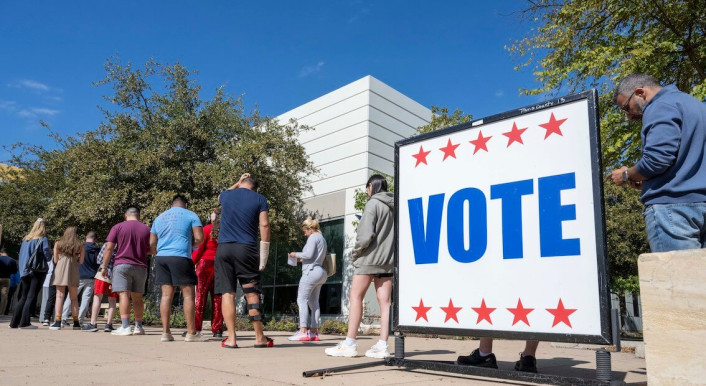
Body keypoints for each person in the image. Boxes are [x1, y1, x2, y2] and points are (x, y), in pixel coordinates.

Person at [608, 73, 706, 252]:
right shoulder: (696, 105)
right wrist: (647, 179)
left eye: (626, 107)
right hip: (701, 203)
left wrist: (625, 174)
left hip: (674, 211)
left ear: (640, 93)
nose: (629, 116)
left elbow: (656, 160)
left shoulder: (659, 106)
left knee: (676, 278)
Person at [325, 174, 394, 358]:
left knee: (355, 297)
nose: (366, 191)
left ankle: (350, 343)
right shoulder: (394, 207)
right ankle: (382, 345)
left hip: (368, 259)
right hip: (387, 261)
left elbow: (365, 236)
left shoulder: (372, 204)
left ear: (371, 186)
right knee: (385, 303)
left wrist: (355, 253)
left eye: (367, 188)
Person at [216, 173, 273, 349]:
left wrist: (237, 182)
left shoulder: (227, 195)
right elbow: (264, 225)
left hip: (224, 248)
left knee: (227, 293)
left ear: (241, 184)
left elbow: (221, 195)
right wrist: (264, 253)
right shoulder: (260, 199)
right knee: (251, 292)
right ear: (255, 188)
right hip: (246, 248)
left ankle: (231, 339)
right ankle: (259, 337)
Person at [150, 194, 208, 343]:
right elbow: (200, 239)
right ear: (186, 204)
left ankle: (165, 333)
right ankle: (191, 333)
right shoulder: (191, 215)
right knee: (188, 295)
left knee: (166, 295)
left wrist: (161, 250)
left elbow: (151, 242)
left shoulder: (159, 217)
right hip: (181, 256)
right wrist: (189, 243)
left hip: (162, 257)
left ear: (172, 204)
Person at [100, 206, 151, 336]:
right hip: (141, 266)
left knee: (124, 295)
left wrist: (104, 266)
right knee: (138, 297)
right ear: (139, 216)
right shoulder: (147, 229)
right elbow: (153, 249)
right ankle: (138, 327)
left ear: (125, 215)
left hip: (121, 265)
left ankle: (125, 326)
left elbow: (109, 248)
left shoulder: (117, 227)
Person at [288, 217, 328, 342]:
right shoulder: (322, 238)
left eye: (305, 231)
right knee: (314, 303)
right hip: (321, 272)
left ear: (310, 229)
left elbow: (309, 254)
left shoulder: (313, 237)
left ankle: (303, 330)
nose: (304, 233)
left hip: (310, 272)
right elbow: (313, 256)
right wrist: (301, 259)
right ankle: (314, 332)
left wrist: (295, 254)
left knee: (302, 300)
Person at [9, 219, 52, 329]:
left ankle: (13, 323)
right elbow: (48, 256)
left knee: (23, 297)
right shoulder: (43, 239)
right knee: (31, 297)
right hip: (37, 271)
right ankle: (24, 323)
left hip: (24, 271)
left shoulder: (26, 239)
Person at [192, 208, 224, 338]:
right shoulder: (226, 231)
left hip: (205, 265)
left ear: (213, 218)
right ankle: (217, 329)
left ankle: (196, 327)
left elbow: (199, 250)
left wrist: (191, 262)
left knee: (200, 296)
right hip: (220, 265)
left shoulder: (206, 229)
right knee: (218, 298)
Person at [60, 231, 101, 328]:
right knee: (86, 299)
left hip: (79, 275)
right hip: (91, 276)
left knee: (71, 297)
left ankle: (64, 318)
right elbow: (98, 262)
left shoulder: (80, 246)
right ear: (95, 239)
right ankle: (80, 320)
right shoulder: (98, 249)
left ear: (86, 237)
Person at [49, 226, 85, 330]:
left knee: (59, 296)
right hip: (73, 270)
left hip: (60, 270)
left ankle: (58, 321)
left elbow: (55, 261)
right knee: (74, 298)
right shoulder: (80, 245)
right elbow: (81, 262)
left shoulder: (58, 244)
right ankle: (76, 323)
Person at [82, 243, 118, 332]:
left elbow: (99, 259)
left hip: (103, 273)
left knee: (97, 297)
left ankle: (93, 323)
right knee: (112, 299)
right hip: (116, 275)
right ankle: (108, 324)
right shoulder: (122, 245)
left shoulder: (108, 244)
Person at [0, 247, 19, 316]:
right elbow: (15, 271)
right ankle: (1, 312)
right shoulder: (12, 260)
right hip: (6, 279)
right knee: (4, 296)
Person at [39, 256, 56, 325]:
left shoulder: (49, 258)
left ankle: (43, 318)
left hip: (47, 281)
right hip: (50, 281)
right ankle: (52, 318)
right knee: (51, 301)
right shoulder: (51, 258)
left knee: (46, 301)